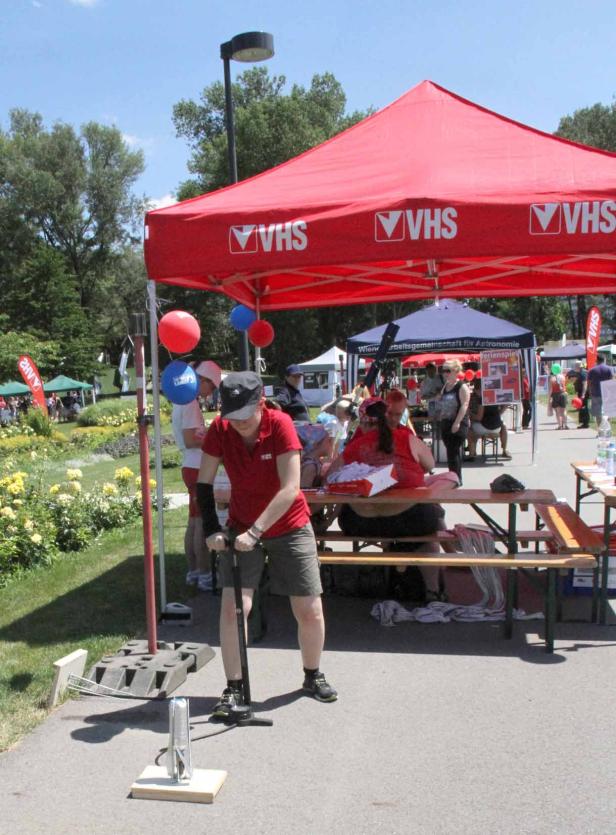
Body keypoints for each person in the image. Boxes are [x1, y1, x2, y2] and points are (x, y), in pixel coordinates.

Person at [197, 371, 337, 718]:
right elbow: (203, 482)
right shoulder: (221, 430)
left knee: (309, 609)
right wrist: (212, 529)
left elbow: (290, 488)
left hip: (288, 524)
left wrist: (257, 532)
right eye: (232, 417)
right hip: (242, 525)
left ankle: (312, 673)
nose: (239, 424)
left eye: (245, 416)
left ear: (261, 404)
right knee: (233, 610)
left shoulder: (280, 424)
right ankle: (233, 687)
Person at [327, 397, 458, 602]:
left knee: (423, 521)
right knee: (430, 532)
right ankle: (432, 591)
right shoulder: (408, 438)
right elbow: (429, 464)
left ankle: (391, 582)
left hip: (361, 523)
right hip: (411, 519)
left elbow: (331, 477)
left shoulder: (355, 446)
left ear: (363, 423)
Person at [171, 360, 222, 592]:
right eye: (211, 387)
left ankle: (193, 571)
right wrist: (213, 437)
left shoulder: (182, 399)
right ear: (202, 380)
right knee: (202, 522)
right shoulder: (191, 402)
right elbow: (192, 439)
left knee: (193, 521)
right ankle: (203, 573)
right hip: (196, 466)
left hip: (189, 465)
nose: (211, 392)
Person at [437, 360, 470, 482]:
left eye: (448, 371)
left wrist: (457, 422)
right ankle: (453, 477)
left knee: (453, 451)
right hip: (446, 421)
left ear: (455, 371)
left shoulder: (461, 386)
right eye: (443, 370)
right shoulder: (446, 386)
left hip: (457, 423)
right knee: (450, 452)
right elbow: (442, 401)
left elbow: (464, 405)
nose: (445, 373)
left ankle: (456, 479)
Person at [467, 381, 511, 459]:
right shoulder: (494, 398)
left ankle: (472, 453)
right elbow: (499, 413)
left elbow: (479, 417)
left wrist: (470, 414)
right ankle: (505, 449)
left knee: (470, 429)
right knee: (503, 425)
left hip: (484, 427)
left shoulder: (482, 400)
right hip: (497, 428)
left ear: (479, 390)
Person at [587, 354, 614, 428]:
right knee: (608, 411)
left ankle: (601, 430)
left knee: (598, 413)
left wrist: (589, 392)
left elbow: (589, 383)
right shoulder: (610, 369)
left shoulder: (592, 370)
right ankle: (607, 429)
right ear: (604, 360)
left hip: (595, 393)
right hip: (607, 393)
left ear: (597, 360)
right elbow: (612, 381)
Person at [567, 361, 589, 429]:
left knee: (584, 408)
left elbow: (585, 384)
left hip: (583, 393)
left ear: (578, 366)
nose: (574, 367)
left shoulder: (582, 373)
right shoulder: (580, 373)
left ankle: (585, 424)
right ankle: (583, 423)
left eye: (575, 366)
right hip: (581, 392)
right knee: (581, 408)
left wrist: (583, 394)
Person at [548, 365, 568, 430]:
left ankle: (560, 426)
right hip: (563, 394)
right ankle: (565, 425)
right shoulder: (563, 377)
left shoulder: (552, 378)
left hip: (555, 394)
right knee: (564, 410)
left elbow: (550, 389)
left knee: (558, 411)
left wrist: (549, 398)